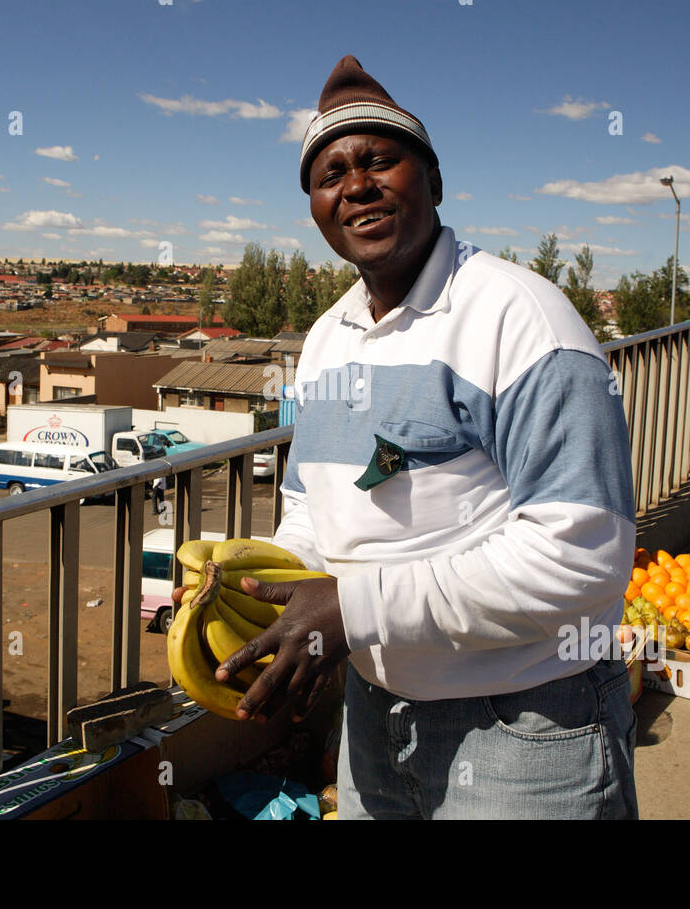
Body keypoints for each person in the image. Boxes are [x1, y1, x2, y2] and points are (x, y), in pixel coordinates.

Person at [211, 56, 638, 819]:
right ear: (314, 208)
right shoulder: (326, 340)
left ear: (434, 182)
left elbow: (584, 555)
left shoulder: (519, 319)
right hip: (375, 721)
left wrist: (356, 611)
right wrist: (270, 602)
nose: (356, 185)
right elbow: (312, 508)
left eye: (381, 160)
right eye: (330, 173)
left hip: (526, 726)